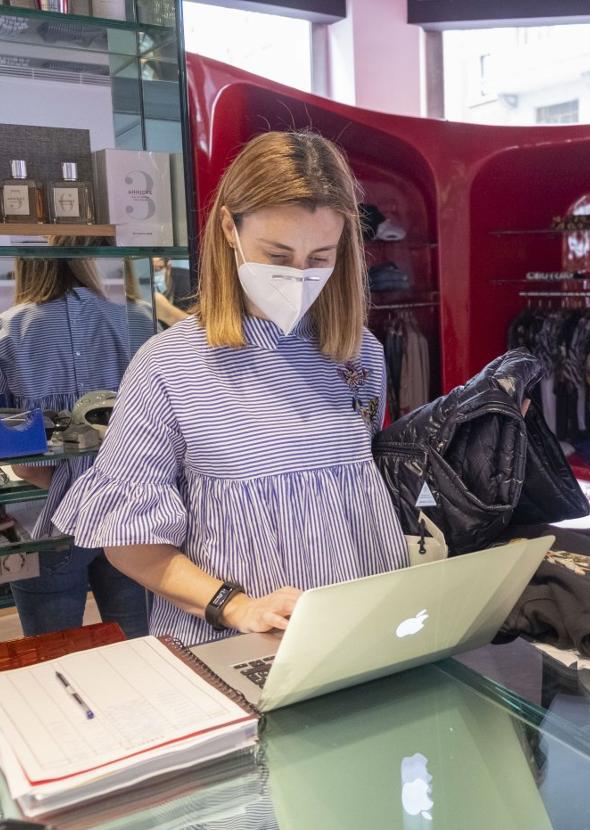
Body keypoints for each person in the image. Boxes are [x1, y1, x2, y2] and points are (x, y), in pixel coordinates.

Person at [54, 131, 408, 646]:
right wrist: (235, 606)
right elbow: (130, 544)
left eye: (319, 258)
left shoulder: (359, 354)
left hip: (357, 639)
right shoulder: (169, 368)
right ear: (229, 227)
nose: (299, 275)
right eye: (278, 255)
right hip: (236, 652)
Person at [0, 253, 149, 638]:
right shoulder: (139, 319)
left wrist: (70, 486)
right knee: (142, 646)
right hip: (132, 514)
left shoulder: (3, 331)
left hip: (44, 517)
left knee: (53, 657)